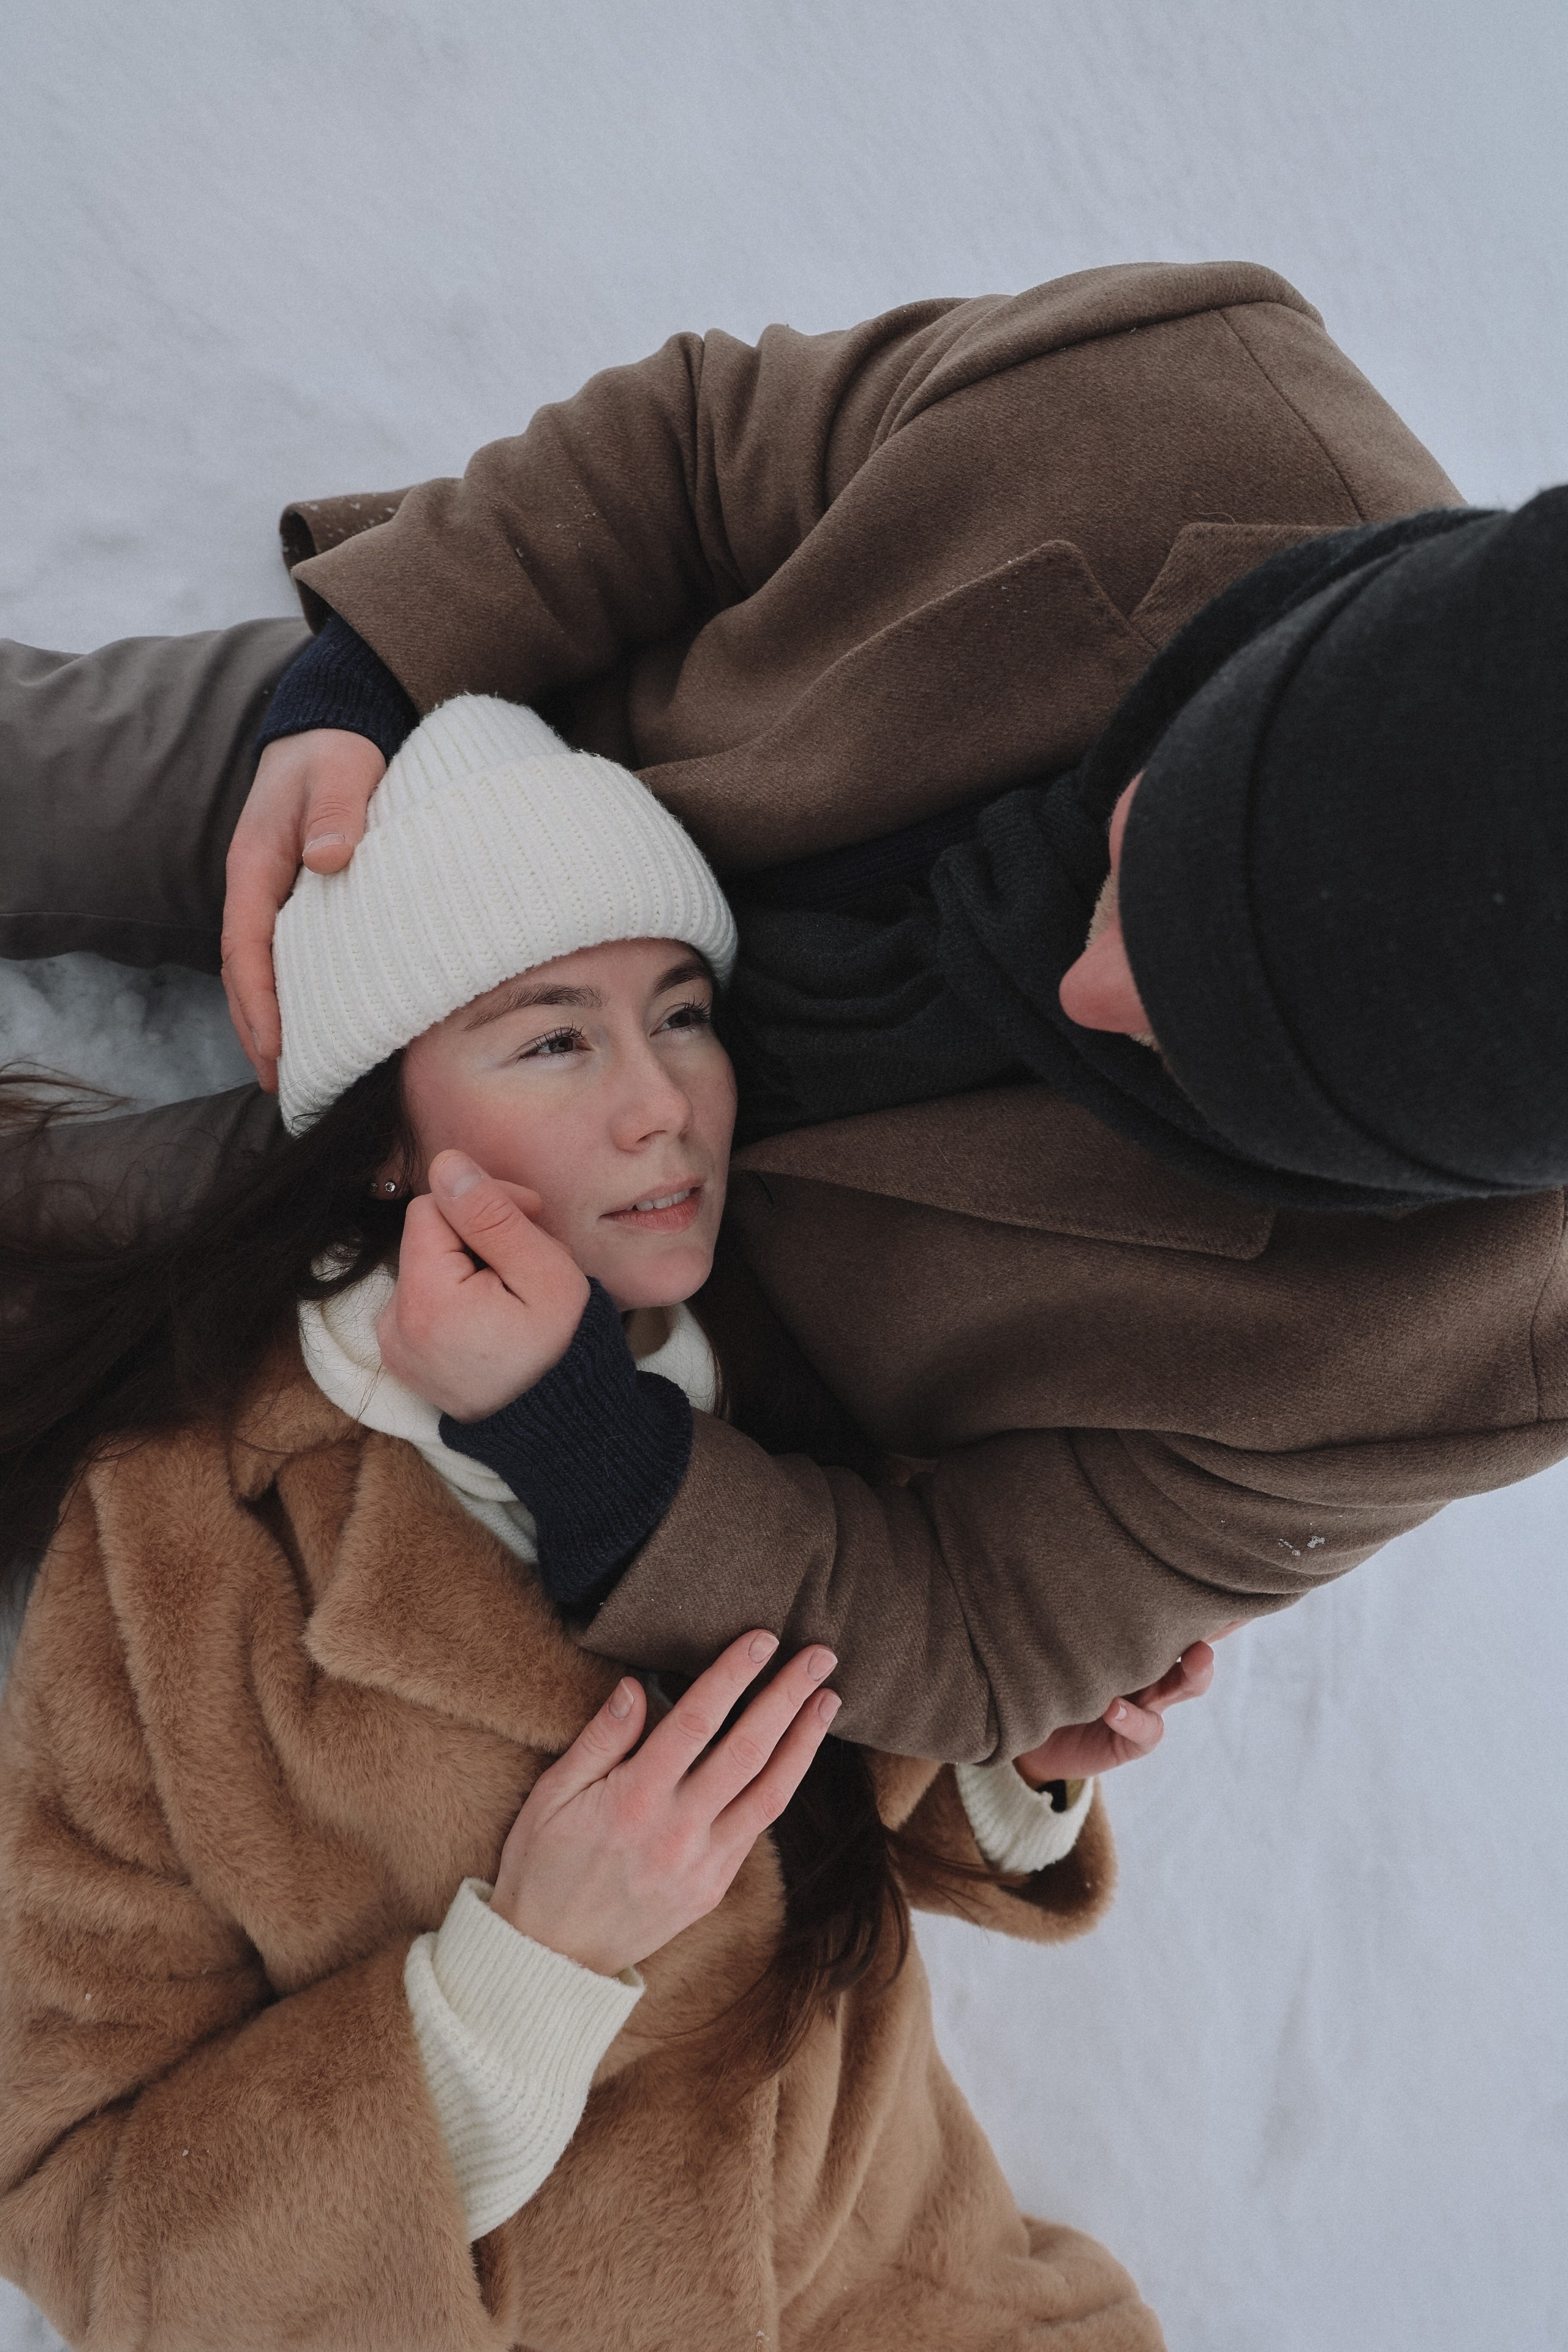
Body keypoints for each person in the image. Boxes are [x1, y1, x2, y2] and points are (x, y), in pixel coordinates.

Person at [6, 257, 1564, 1765]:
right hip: (491, 777)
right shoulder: (1194, 388)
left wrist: (579, 1434)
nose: (1082, 988)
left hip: (601, 1271)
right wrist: (367, 687)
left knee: (77, 1281)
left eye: (1188, 1044)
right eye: (1136, 859)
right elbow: (689, 450)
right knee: (39, 779)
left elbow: (974, 1631)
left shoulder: (1455, 1362)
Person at [0, 696, 1207, 2351]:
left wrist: (1019, 1756)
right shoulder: (177, 1547)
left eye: (684, 1015)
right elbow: (75, 2201)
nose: (664, 1107)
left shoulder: (800, 1370)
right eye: (554, 1037)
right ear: (386, 1137)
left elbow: (845, 1834)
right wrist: (516, 1983)